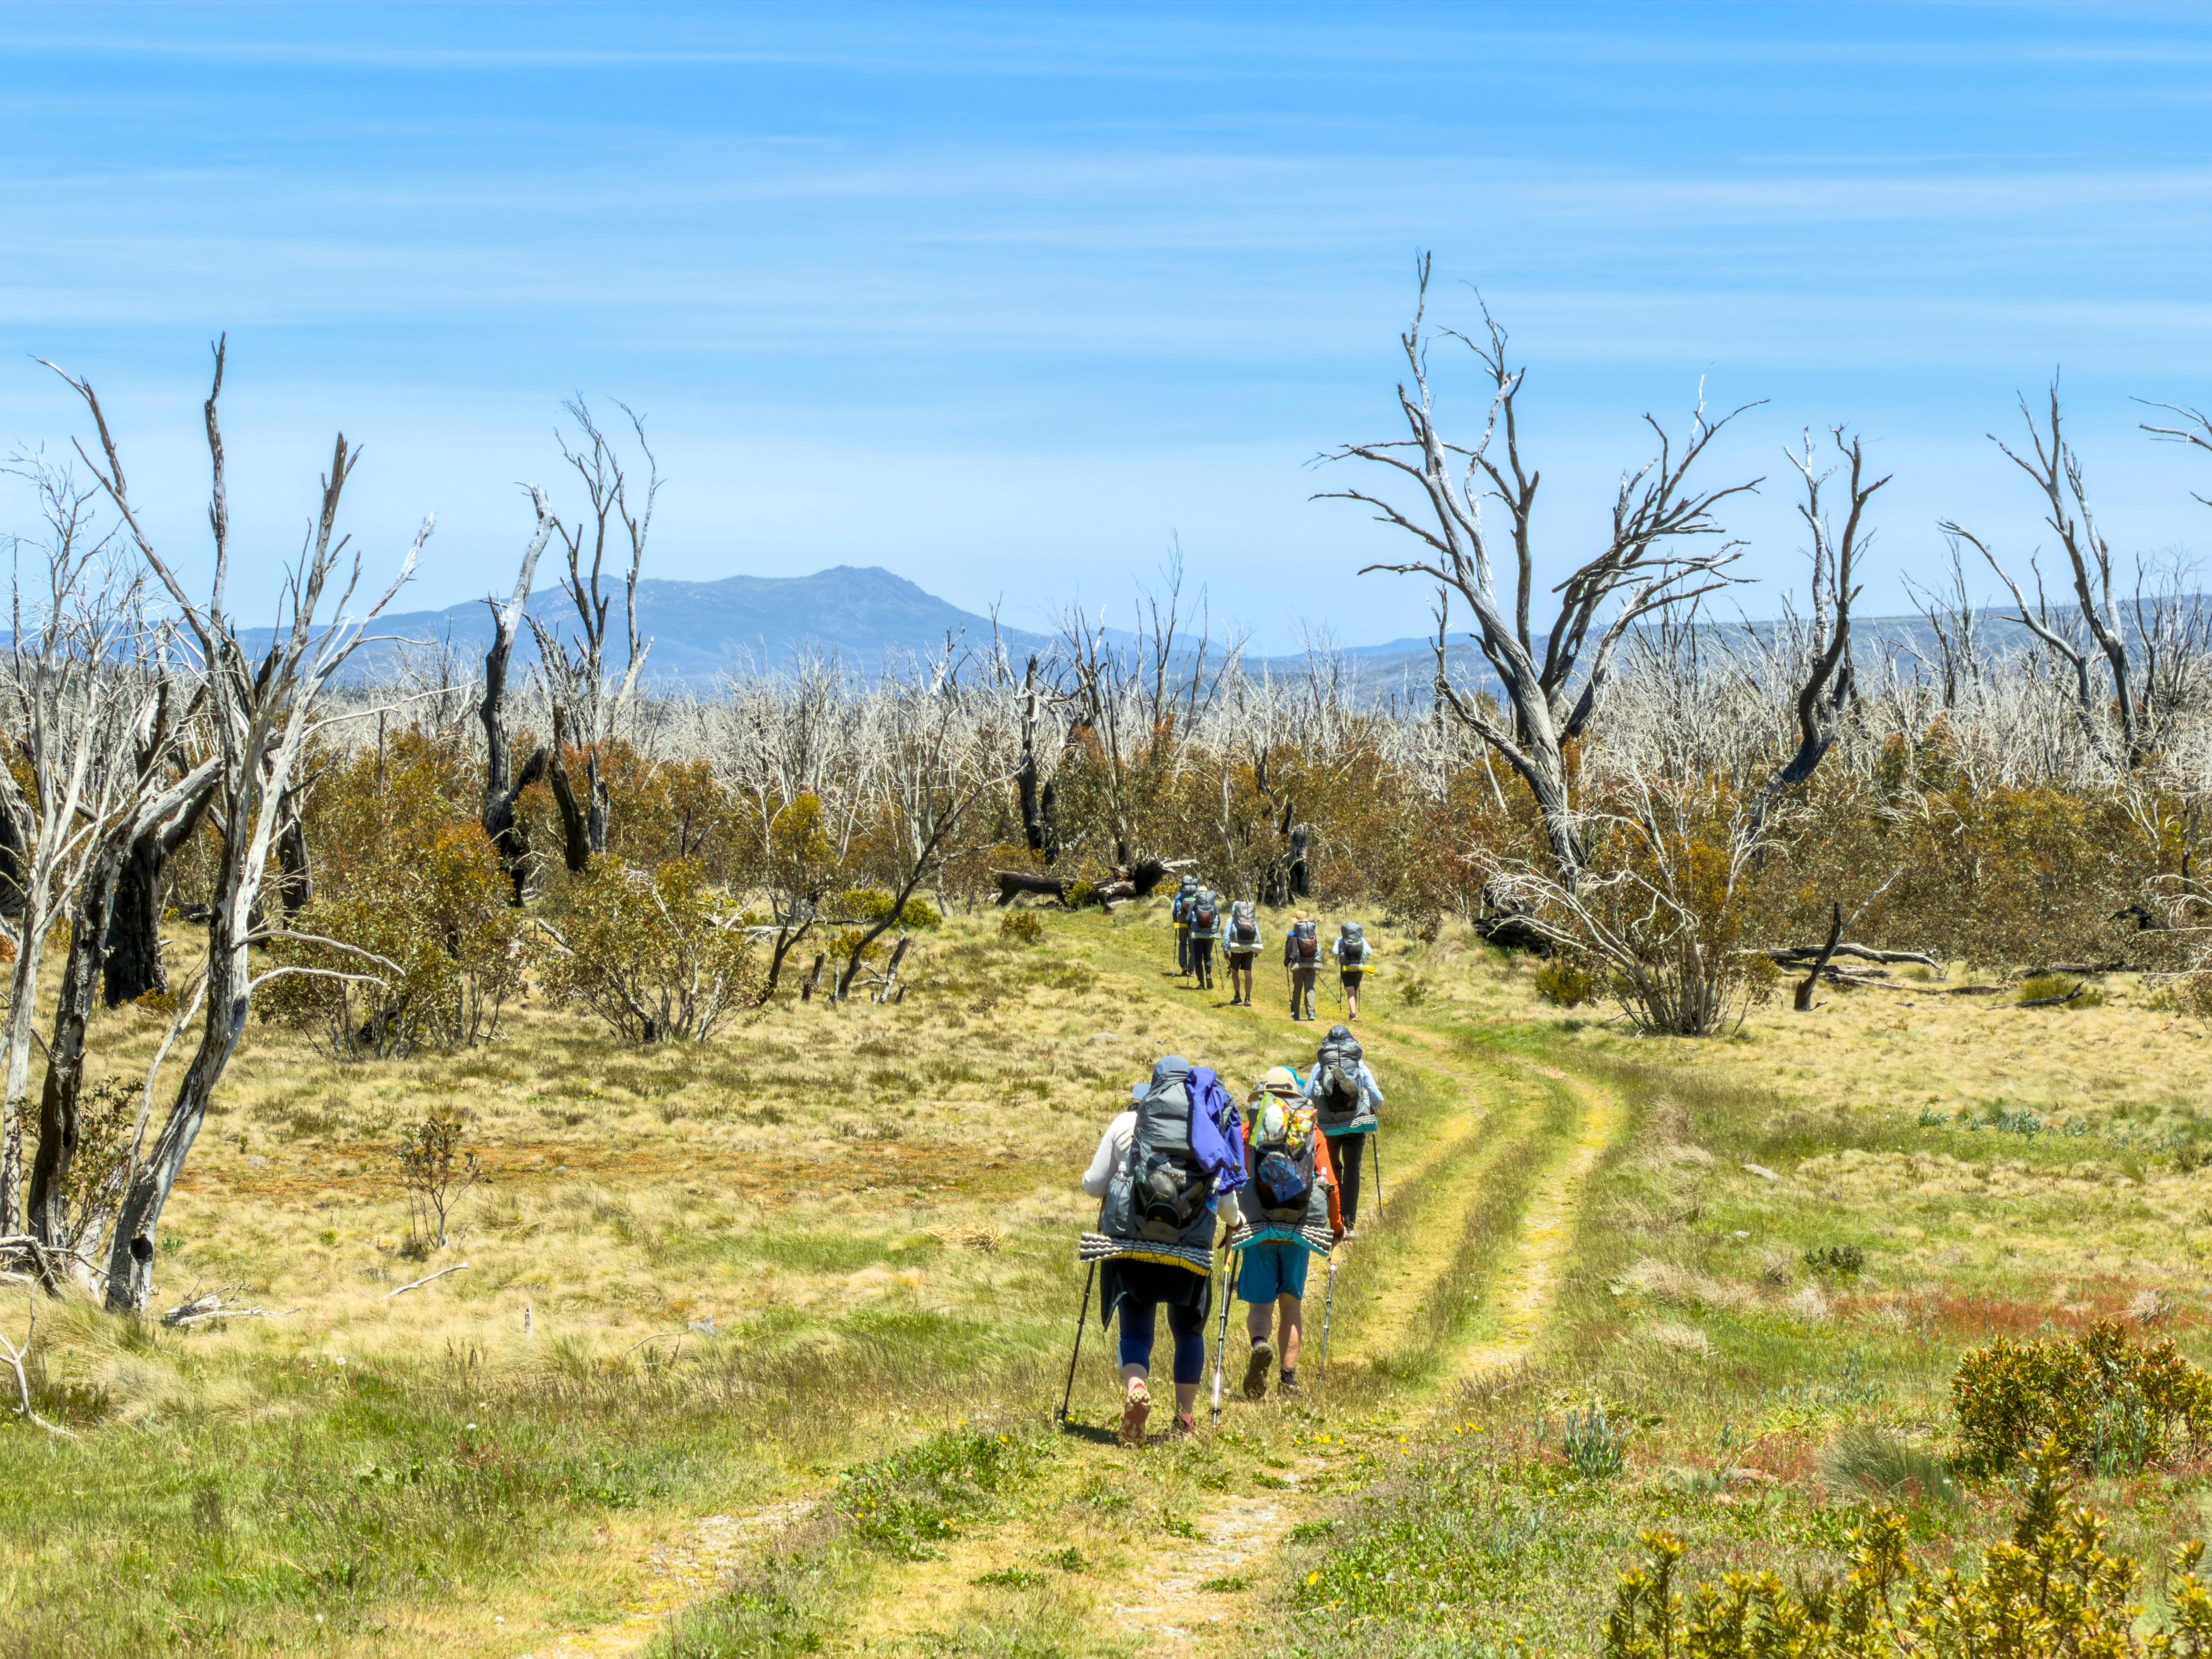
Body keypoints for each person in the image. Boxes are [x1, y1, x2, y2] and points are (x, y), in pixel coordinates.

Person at [1080, 1055, 1246, 1443]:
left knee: (1136, 1326)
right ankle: (1185, 1420)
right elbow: (1227, 1204)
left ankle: (1136, 1388)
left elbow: (1092, 1185)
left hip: (1133, 1244)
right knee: (1189, 1331)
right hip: (1190, 1250)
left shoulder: (1128, 1123)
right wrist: (1235, 1224)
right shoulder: (1205, 1124)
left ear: (1152, 1090)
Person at [1233, 1066, 1340, 1400]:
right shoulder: (1311, 1131)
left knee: (1260, 1308)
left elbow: (1237, 1177)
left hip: (1259, 1230)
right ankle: (1288, 1380)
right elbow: (1331, 1185)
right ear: (1295, 1095)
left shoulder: (1249, 1129)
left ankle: (1259, 1344)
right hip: (1298, 1229)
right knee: (1291, 1307)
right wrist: (1337, 1227)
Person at [1303, 1025, 1383, 1234]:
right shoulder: (1358, 1064)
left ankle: (1334, 1222)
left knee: (1329, 1171)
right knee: (1352, 1171)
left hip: (1328, 1126)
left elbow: (1307, 1097)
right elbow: (1378, 1099)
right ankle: (1349, 1223)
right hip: (1356, 1123)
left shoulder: (1320, 1066)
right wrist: (1370, 1108)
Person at [1283, 912, 1321, 1021]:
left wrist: (1287, 961)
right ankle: (1311, 1014)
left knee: (1298, 989)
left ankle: (1296, 1015)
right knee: (1310, 989)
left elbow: (1288, 949)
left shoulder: (1292, 934)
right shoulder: (1312, 932)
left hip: (1298, 965)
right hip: (1312, 964)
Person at [1223, 900, 1262, 1006]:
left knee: (1235, 973)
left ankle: (1237, 996)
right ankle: (1248, 999)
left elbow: (1227, 936)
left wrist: (1226, 951)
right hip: (1249, 950)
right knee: (1248, 975)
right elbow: (1257, 935)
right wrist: (1257, 949)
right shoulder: (1251, 921)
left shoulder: (1231, 921)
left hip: (1236, 951)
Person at [1333, 921, 1370, 1020]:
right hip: (1359, 968)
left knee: (1350, 993)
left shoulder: (1341, 940)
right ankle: (1353, 1013)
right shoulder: (1362, 940)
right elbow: (1369, 951)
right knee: (1355, 990)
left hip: (1346, 968)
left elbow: (1335, 952)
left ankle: (1353, 1015)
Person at [1188, 887, 1221, 991]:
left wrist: (1191, 927)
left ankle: (1202, 983)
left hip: (1198, 935)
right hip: (1209, 936)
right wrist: (1213, 929)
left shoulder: (1195, 904)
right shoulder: (1213, 905)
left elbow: (1188, 919)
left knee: (1198, 959)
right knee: (1208, 957)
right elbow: (1219, 920)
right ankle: (1208, 975)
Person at [1170, 875, 1200, 976]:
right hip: (1193, 923)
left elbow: (1175, 911)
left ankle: (1184, 966)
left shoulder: (1180, 896)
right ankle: (1192, 971)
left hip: (1182, 922)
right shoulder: (1197, 896)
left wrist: (1176, 923)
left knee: (1183, 943)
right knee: (1193, 946)